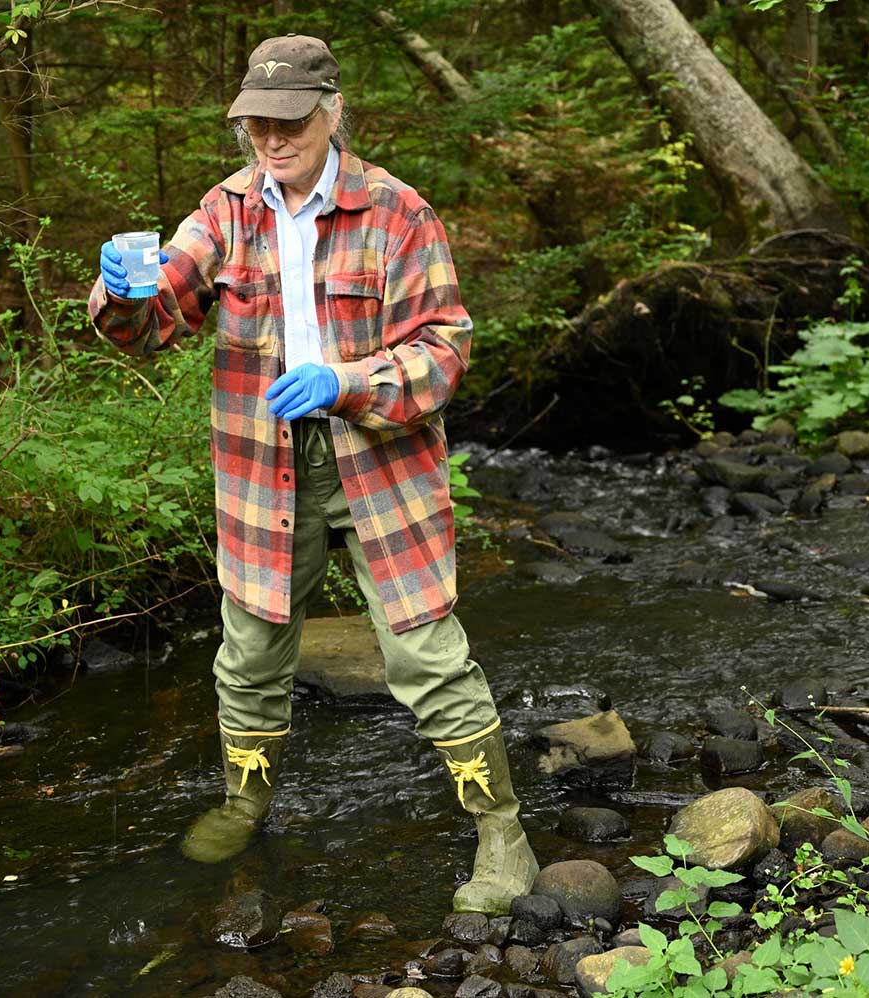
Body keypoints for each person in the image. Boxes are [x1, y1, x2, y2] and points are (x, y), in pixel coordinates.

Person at [87, 34, 539, 914]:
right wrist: (124, 293)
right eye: (255, 122)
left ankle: (503, 835)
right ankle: (245, 800)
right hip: (265, 467)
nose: (269, 139)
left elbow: (446, 350)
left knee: (425, 654)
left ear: (332, 111)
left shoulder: (398, 212)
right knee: (251, 649)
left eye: (287, 120)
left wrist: (351, 381)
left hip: (381, 461)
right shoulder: (226, 210)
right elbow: (151, 329)